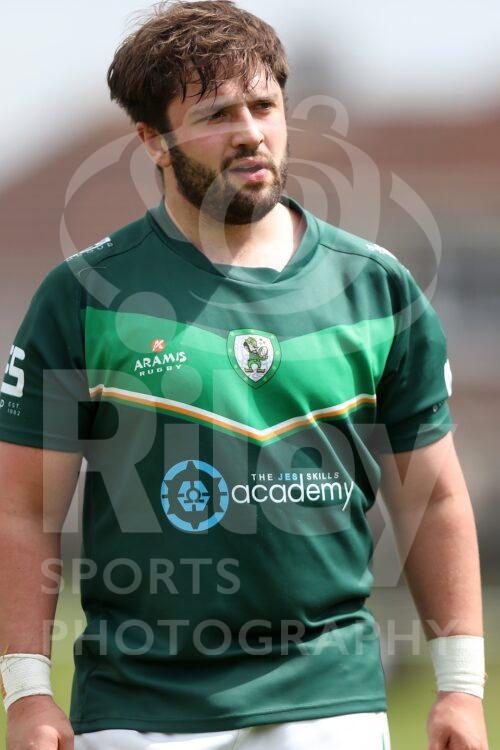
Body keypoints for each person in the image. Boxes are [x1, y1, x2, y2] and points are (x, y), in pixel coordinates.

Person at [0, 1, 488, 749]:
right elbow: (24, 512)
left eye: (264, 105)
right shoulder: (81, 298)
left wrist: (460, 687)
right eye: (217, 114)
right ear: (153, 142)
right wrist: (29, 695)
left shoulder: (378, 287)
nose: (252, 132)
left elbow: (435, 497)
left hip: (335, 705)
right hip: (141, 712)